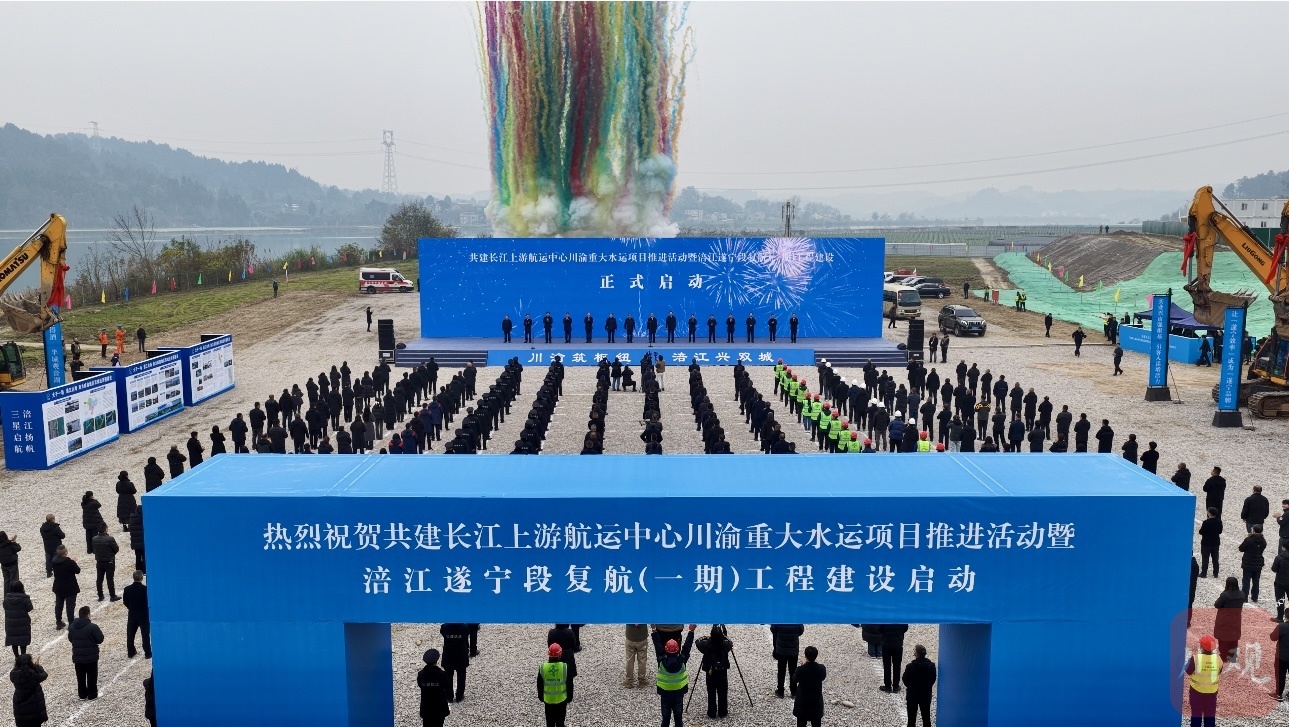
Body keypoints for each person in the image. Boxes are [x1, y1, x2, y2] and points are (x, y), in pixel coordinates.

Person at [653, 623, 695, 727]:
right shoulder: (682, 660)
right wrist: (691, 631)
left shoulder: (662, 660)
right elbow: (687, 647)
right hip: (678, 693)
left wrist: (654, 630)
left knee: (665, 719)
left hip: (665, 693)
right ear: (677, 649)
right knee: (678, 719)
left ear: (665, 649)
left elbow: (657, 646)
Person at [696, 625, 732, 719]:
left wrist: (707, 638)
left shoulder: (706, 645)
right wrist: (724, 635)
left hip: (710, 672)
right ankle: (723, 712)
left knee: (711, 693)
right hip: (722, 671)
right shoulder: (725, 645)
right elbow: (730, 642)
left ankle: (712, 712)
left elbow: (697, 641)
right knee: (723, 692)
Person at [68, 605, 104, 699]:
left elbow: (70, 639)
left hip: (78, 656)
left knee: (80, 677)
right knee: (92, 676)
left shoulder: (72, 627)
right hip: (91, 657)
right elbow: (100, 639)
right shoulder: (93, 627)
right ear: (88, 615)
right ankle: (92, 694)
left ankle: (82, 695)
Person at [1184, 634, 1221, 727]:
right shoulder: (1218, 659)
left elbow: (1188, 670)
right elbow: (1219, 671)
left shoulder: (1195, 658)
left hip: (1196, 692)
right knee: (1210, 716)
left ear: (1201, 646)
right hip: (1212, 693)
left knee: (1196, 715)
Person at [902, 644, 937, 727]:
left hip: (912, 695)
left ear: (916, 654)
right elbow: (933, 679)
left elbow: (905, 679)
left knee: (911, 719)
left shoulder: (910, 666)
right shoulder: (931, 666)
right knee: (926, 717)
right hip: (926, 694)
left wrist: (910, 686)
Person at [9, 653, 48, 727]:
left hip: (20, 710)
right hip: (34, 710)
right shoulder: (32, 674)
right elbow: (44, 675)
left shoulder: (14, 674)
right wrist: (37, 666)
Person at [792, 646, 826, 727]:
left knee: (801, 723)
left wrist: (803, 665)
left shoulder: (800, 669)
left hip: (803, 700)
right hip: (816, 700)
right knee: (816, 723)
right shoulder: (821, 668)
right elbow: (823, 677)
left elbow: (794, 679)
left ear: (805, 656)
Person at [1213, 577, 1246, 663]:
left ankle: (1223, 656)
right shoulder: (1242, 594)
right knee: (1234, 637)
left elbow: (1217, 605)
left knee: (1223, 638)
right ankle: (1232, 656)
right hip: (1236, 619)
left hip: (1224, 620)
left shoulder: (1225, 595)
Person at [538, 643, 570, 727]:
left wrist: (541, 697)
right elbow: (569, 684)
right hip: (562, 699)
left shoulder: (543, 667)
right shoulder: (565, 667)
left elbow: (540, 685)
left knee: (550, 722)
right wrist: (569, 697)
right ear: (560, 654)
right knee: (560, 721)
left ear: (548, 654)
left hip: (548, 700)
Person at [417, 648, 451, 727]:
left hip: (426, 707)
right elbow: (447, 685)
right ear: (436, 661)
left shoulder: (421, 674)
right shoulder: (443, 675)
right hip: (440, 707)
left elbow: (420, 685)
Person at [440, 622, 472, 702]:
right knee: (461, 676)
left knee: (448, 676)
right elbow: (466, 635)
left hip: (448, 654)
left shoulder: (444, 627)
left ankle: (449, 696)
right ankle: (459, 696)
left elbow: (442, 633)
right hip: (461, 654)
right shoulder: (464, 627)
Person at [770, 623, 804, 698]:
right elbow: (801, 630)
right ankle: (794, 691)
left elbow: (773, 629)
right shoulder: (796, 619)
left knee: (781, 670)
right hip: (793, 649)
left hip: (781, 649)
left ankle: (780, 691)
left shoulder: (779, 618)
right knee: (793, 670)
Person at [122, 570, 150, 658]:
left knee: (130, 635)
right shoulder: (145, 589)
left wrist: (131, 608)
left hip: (132, 615)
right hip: (143, 615)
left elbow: (125, 601)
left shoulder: (127, 589)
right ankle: (147, 653)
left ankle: (130, 652)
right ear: (142, 578)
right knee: (145, 635)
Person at [50, 545, 78, 629]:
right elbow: (78, 570)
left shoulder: (54, 561)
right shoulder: (69, 562)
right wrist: (74, 562)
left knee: (59, 605)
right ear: (65, 553)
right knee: (70, 606)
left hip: (58, 586)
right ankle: (71, 623)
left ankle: (58, 622)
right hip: (69, 586)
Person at [91, 524, 120, 602]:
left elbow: (94, 549)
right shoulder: (110, 539)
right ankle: (112, 596)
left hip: (99, 561)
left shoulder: (94, 539)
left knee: (99, 579)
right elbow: (116, 549)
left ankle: (100, 596)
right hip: (109, 561)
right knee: (109, 579)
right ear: (105, 529)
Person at [4, 580, 32, 657]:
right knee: (23, 640)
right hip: (23, 623)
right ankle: (23, 656)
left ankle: (17, 657)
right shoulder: (25, 598)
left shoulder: (7, 599)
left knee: (14, 641)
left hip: (10, 623)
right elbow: (30, 608)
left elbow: (5, 607)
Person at [1239, 525, 1267, 603]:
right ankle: (1255, 597)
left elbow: (1241, 548)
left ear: (1254, 531)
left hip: (1248, 562)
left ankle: (1245, 597)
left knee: (1246, 580)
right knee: (1256, 581)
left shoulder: (1248, 540)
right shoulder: (1263, 541)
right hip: (1258, 563)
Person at [880, 623, 909, 693]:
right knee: (897, 666)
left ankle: (888, 686)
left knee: (887, 666)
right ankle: (896, 686)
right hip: (897, 644)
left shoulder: (885, 619)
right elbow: (905, 628)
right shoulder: (900, 619)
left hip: (886, 644)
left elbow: (879, 628)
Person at [1199, 508, 1222, 578]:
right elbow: (1220, 531)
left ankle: (1204, 573)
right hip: (1215, 542)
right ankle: (1216, 573)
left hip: (1206, 542)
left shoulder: (1206, 522)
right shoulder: (1219, 522)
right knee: (1215, 558)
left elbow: (1201, 532)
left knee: (1205, 558)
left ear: (1209, 513)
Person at [624, 624, 650, 688]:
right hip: (642, 638)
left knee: (629, 660)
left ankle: (629, 680)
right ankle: (642, 680)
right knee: (642, 660)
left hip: (630, 638)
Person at [1273, 545, 1289, 623]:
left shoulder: (1279, 557)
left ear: (1284, 548)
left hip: (1280, 582)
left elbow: (1274, 569)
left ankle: (1280, 617)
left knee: (1280, 600)